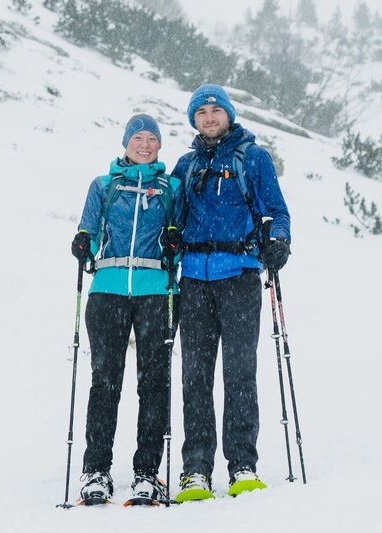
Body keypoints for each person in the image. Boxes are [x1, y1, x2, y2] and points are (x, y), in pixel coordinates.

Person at [170, 84, 291, 501]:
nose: (208, 117)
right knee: (195, 377)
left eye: (214, 110)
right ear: (193, 119)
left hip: (239, 276)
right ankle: (196, 470)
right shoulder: (185, 165)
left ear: (228, 115)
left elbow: (276, 210)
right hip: (195, 283)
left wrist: (279, 241)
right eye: (200, 111)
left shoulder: (252, 158)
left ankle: (242, 465)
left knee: (240, 374)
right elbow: (172, 219)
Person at [70, 114, 184, 505]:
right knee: (105, 382)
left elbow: (182, 232)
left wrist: (175, 241)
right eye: (139, 137)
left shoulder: (171, 187)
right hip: (108, 291)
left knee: (153, 383)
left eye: (153, 138)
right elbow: (88, 227)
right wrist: (82, 241)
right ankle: (95, 470)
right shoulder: (103, 186)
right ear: (126, 142)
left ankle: (147, 473)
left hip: (157, 291)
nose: (146, 144)